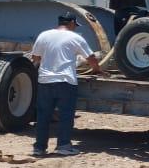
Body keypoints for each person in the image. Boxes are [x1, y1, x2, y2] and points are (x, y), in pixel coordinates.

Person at [29, 12, 107, 156]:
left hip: (45, 81)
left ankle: (39, 148)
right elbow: (91, 58)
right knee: (65, 115)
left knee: (43, 116)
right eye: (75, 25)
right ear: (71, 23)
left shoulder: (44, 35)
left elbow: (35, 57)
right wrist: (97, 70)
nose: (75, 28)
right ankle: (63, 146)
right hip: (66, 82)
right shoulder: (75, 38)